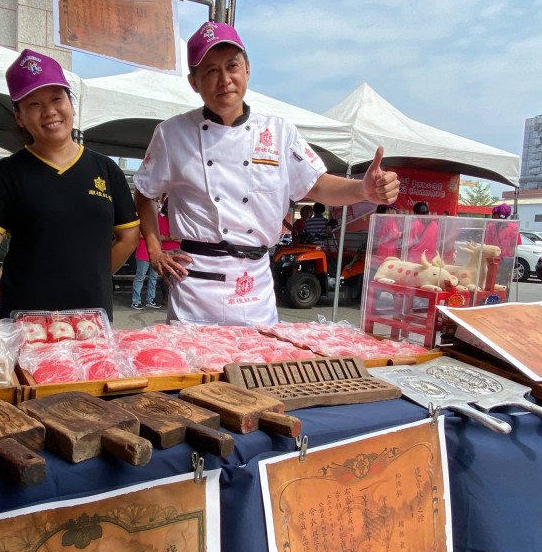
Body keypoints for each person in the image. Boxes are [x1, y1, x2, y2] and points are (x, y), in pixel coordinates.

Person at [132, 21, 399, 326]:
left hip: (255, 285)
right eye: (211, 71)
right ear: (194, 82)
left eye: (232, 66)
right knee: (196, 370)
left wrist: (363, 190)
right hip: (195, 286)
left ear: (247, 69)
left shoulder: (278, 131)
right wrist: (154, 251)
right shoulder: (171, 134)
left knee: (257, 370)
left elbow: (317, 185)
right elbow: (144, 191)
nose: (224, 80)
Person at [0, 49, 139, 320]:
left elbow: (128, 237)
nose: (50, 111)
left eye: (57, 98)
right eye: (34, 104)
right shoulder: (5, 173)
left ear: (71, 105)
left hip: (91, 317)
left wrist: (91, 278)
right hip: (25, 316)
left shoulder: (106, 169)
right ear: (19, 116)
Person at [483, 203, 521, 286]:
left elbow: (514, 245)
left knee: (503, 283)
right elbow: (487, 243)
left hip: (505, 260)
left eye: (495, 215)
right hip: (492, 259)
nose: (493, 217)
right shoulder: (491, 226)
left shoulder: (513, 227)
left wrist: (510, 260)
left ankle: (504, 298)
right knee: (490, 282)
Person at [131, 232, 161, 310]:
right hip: (143, 253)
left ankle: (150, 300)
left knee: (153, 277)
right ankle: (136, 301)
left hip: (155, 254)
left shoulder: (159, 221)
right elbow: (138, 235)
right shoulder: (142, 222)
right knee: (140, 277)